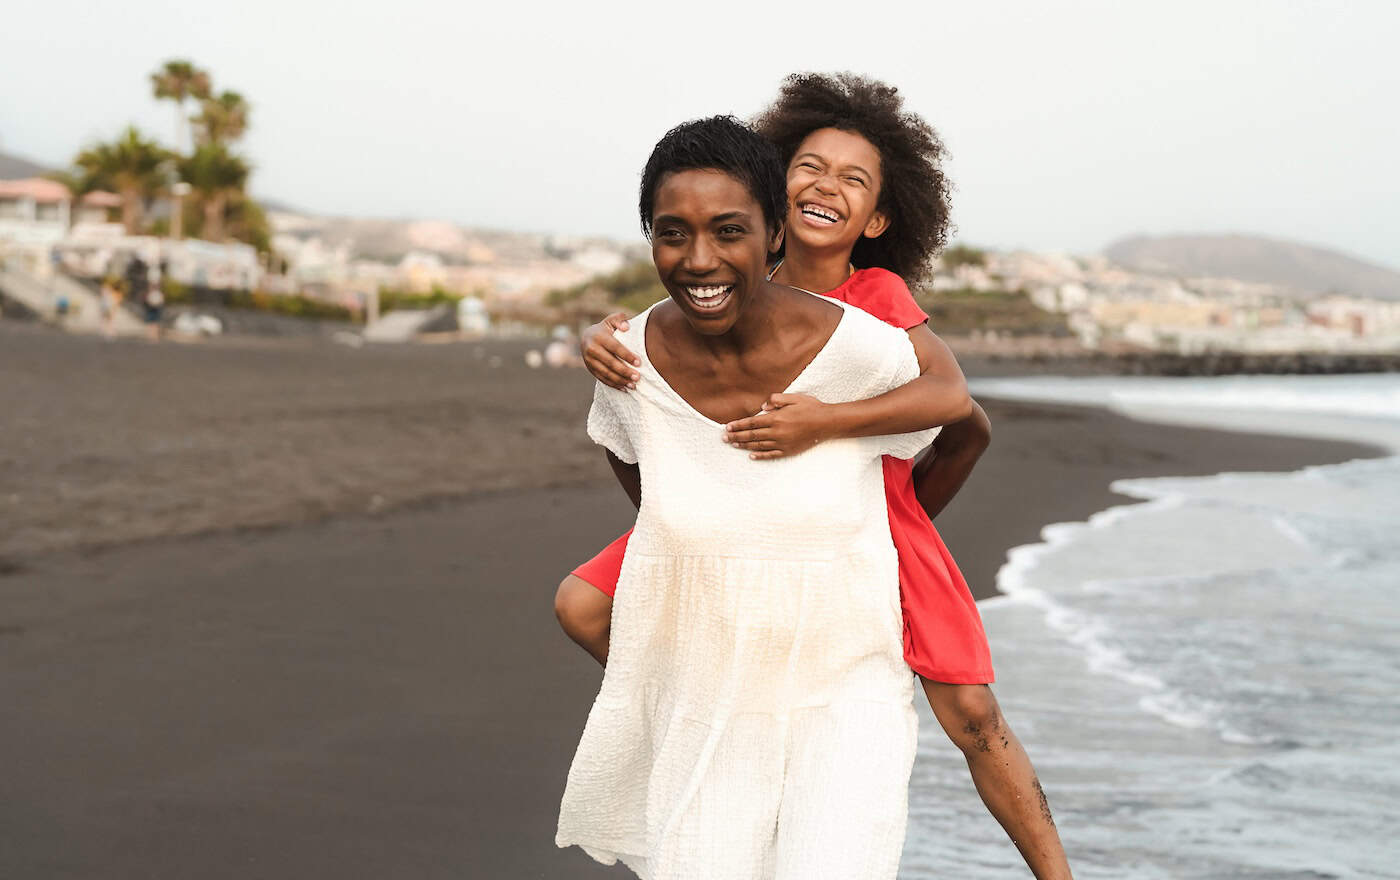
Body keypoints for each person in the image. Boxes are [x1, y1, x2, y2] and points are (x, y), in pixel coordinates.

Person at [558, 73, 1072, 877]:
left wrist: (834, 433)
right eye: (810, 166)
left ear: (878, 217)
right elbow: (665, 325)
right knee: (583, 603)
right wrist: (601, 335)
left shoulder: (873, 303)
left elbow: (959, 415)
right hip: (729, 502)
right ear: (773, 186)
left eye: (854, 179)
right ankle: (720, 710)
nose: (826, 185)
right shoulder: (724, 269)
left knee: (971, 710)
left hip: (868, 501)